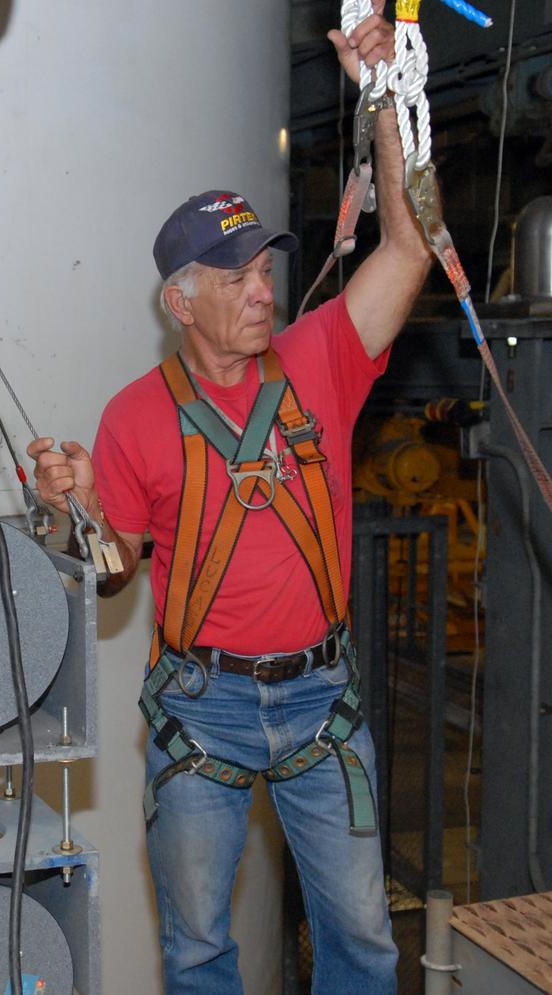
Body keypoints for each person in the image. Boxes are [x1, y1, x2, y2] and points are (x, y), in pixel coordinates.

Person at [28, 9, 430, 993]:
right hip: (199, 710)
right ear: (179, 299)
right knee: (199, 948)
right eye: (234, 274)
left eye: (263, 267)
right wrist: (59, 511)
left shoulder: (321, 355)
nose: (261, 288)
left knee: (362, 940)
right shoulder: (132, 417)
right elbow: (113, 568)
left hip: (318, 694)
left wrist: (383, 99)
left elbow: (410, 249)